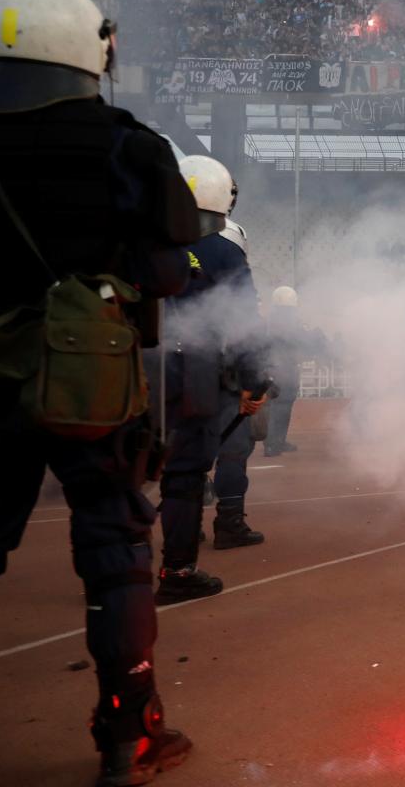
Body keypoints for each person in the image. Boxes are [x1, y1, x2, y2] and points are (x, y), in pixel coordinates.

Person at [0, 0, 201, 785]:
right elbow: (175, 262)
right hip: (90, 382)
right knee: (112, 547)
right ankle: (129, 731)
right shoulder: (124, 142)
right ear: (90, 47)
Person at [153, 157, 272, 604]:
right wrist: (255, 381)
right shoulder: (223, 252)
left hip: (135, 374)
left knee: (118, 480)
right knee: (185, 475)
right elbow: (242, 323)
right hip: (195, 375)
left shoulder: (140, 244)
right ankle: (178, 571)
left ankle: (110, 576)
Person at [262, 285, 321, 457]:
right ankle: (273, 443)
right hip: (283, 369)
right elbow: (296, 339)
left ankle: (276, 441)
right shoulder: (287, 321)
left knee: (279, 406)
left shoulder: (271, 318)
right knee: (281, 406)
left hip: (274, 367)